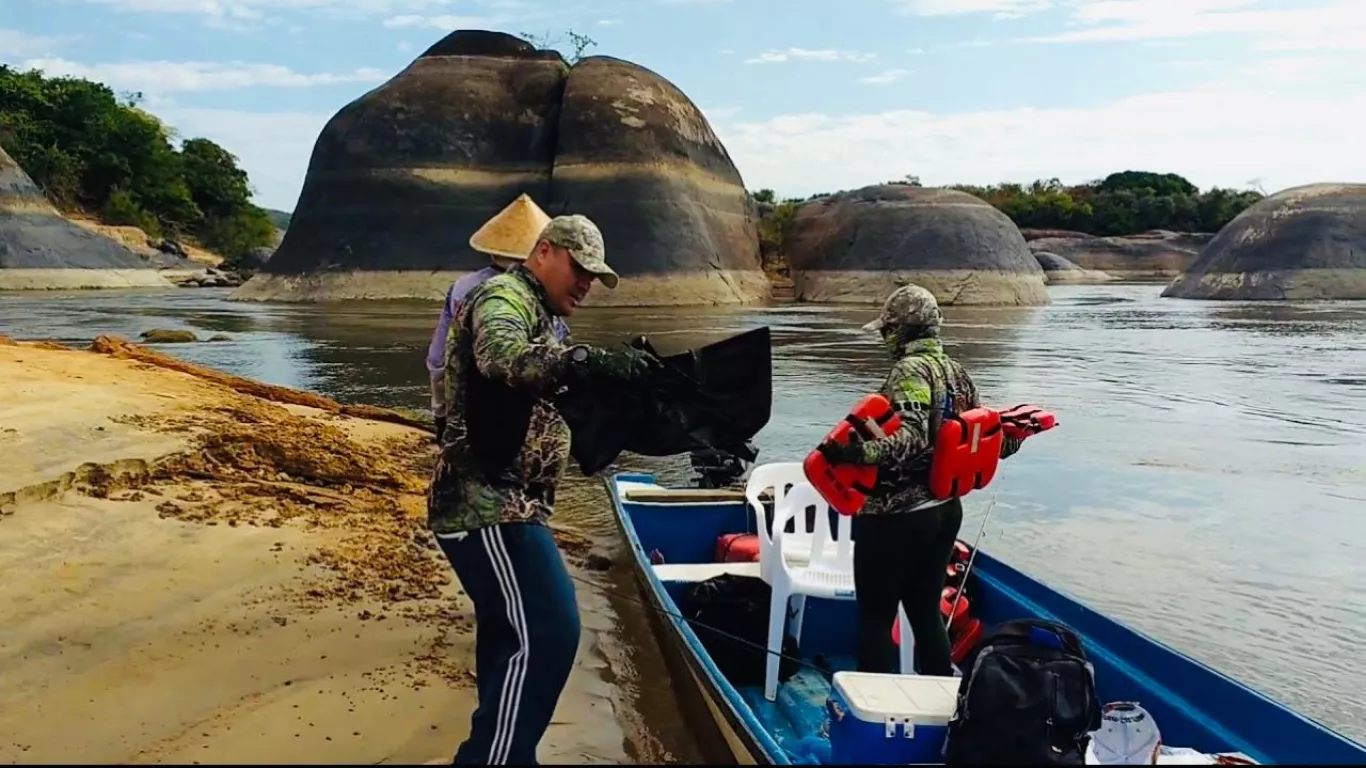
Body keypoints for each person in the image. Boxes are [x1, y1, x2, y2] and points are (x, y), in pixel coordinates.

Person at [427, 214, 659, 765]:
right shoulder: (503, 296)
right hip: (485, 503)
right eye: (579, 269)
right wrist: (584, 359)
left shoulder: (549, 319)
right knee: (551, 630)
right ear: (545, 252)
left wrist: (619, 383)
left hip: (514, 502)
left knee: (509, 637)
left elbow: (556, 393)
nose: (585, 284)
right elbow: (502, 357)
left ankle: (502, 752)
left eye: (594, 276)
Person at [816, 283, 1024, 677]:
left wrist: (852, 453)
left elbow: (911, 438)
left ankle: (874, 707)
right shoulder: (957, 371)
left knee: (876, 620)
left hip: (896, 516)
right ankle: (942, 700)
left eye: (886, 330)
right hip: (945, 511)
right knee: (925, 612)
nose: (884, 338)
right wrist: (1017, 436)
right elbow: (989, 440)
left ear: (899, 331)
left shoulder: (909, 370)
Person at [426, 193, 568, 441]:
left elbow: (438, 360)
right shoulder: (539, 298)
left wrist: (440, 413)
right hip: (517, 423)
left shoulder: (462, 287)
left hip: (463, 410)